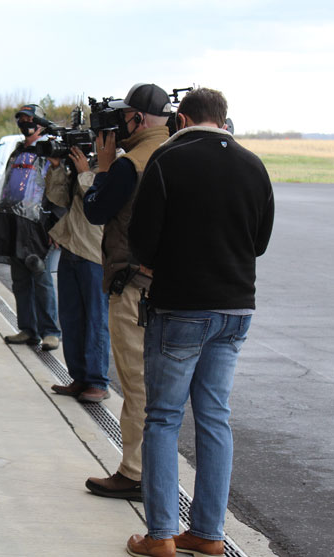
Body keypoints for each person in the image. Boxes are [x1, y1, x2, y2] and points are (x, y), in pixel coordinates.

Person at [125, 87, 274, 557]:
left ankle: (160, 535)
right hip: (236, 310)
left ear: (183, 120)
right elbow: (260, 241)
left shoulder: (168, 161)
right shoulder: (253, 165)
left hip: (181, 308)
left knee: (163, 419)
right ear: (222, 119)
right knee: (214, 419)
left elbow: (142, 240)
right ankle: (208, 533)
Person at [80, 83, 171, 498]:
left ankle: (134, 472)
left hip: (133, 287)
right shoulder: (175, 152)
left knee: (136, 383)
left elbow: (96, 210)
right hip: (176, 289)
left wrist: (102, 168)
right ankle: (158, 472)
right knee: (168, 390)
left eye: (124, 116)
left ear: (138, 118)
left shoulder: (128, 164)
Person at [0, 104, 61, 350]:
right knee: (20, 279)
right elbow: (8, 184)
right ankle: (28, 329)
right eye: (20, 119)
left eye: (28, 119)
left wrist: (55, 224)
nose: (24, 124)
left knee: (40, 277)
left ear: (40, 123)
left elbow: (59, 190)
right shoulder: (18, 151)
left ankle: (50, 332)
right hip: (14, 221)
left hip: (38, 224)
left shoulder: (50, 151)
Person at [45, 150, 111, 403]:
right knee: (71, 318)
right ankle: (79, 377)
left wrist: (84, 173)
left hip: (94, 253)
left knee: (96, 318)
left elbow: (101, 201)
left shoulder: (116, 162)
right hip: (72, 247)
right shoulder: (90, 162)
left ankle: (97, 382)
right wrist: (57, 168)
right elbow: (60, 199)